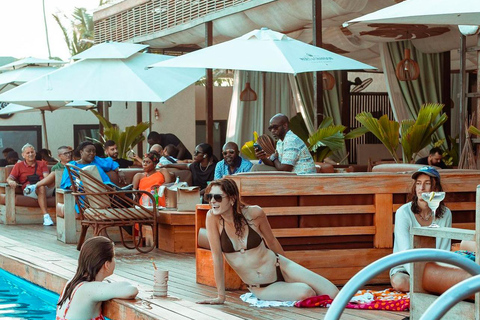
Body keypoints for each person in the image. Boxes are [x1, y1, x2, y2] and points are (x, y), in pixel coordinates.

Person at [197, 178, 338, 304]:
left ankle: (290, 279)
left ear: (232, 198)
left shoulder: (254, 213)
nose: (212, 201)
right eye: (209, 197)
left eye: (217, 197)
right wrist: (221, 296)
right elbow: (217, 258)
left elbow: (271, 241)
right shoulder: (212, 218)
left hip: (279, 265)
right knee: (306, 293)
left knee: (334, 293)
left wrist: (290, 272)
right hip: (260, 287)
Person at [390, 166, 452, 292]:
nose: (421, 188)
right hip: (406, 269)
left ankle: (428, 287)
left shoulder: (445, 213)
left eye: (427, 183)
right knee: (400, 282)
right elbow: (404, 252)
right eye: (418, 183)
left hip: (434, 269)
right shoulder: (404, 212)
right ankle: (429, 288)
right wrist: (423, 277)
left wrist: (436, 275)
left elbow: (444, 250)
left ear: (436, 188)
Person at [56, 236, 138, 319]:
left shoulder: (71, 283)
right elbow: (131, 290)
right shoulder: (89, 289)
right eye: (114, 257)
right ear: (107, 264)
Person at [6, 143, 55, 226]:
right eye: (28, 153)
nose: (30, 154)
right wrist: (11, 182)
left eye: (32, 152)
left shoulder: (42, 164)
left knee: (53, 174)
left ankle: (36, 185)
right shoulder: (18, 165)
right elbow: (9, 178)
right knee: (41, 187)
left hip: (43, 187)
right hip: (29, 190)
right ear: (23, 155)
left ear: (35, 153)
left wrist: (37, 185)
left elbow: (46, 178)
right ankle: (46, 217)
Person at [60, 141, 126, 189]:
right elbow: (67, 182)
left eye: (94, 151)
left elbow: (111, 162)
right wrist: (73, 186)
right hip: (84, 196)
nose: (92, 153)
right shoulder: (72, 165)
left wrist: (119, 171)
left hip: (104, 192)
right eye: (89, 151)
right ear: (81, 152)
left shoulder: (95, 160)